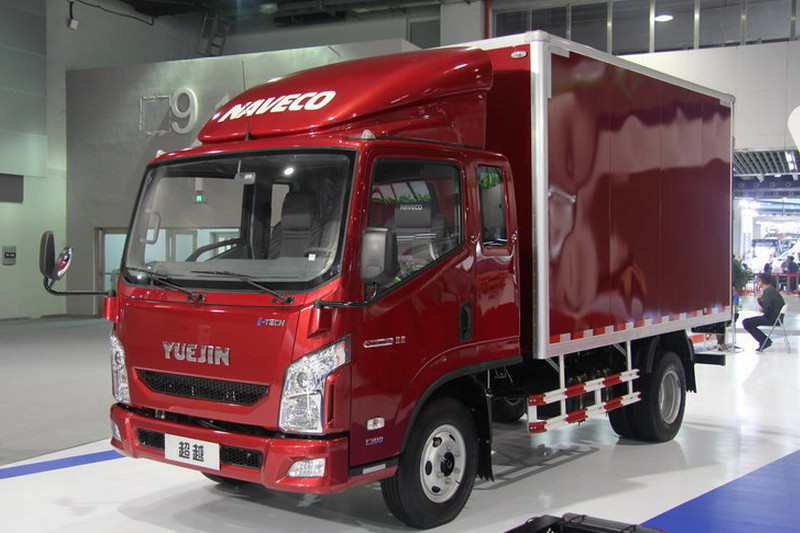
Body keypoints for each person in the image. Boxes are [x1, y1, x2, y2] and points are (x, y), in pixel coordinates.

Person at [742, 273, 785, 352]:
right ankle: (764, 340)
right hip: (775, 317)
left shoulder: (768, 292)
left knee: (747, 323)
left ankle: (764, 341)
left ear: (762, 281)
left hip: (772, 319)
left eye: (758, 280)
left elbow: (766, 306)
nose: (757, 282)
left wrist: (760, 302)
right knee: (747, 322)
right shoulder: (771, 290)